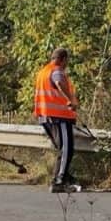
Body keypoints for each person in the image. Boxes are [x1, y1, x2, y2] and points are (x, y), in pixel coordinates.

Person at [34, 47, 80, 192]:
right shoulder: (57, 71)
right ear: (63, 59)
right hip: (59, 117)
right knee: (66, 149)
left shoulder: (43, 72)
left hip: (45, 116)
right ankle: (59, 181)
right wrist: (71, 100)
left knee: (62, 149)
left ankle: (64, 176)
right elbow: (59, 83)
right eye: (67, 60)